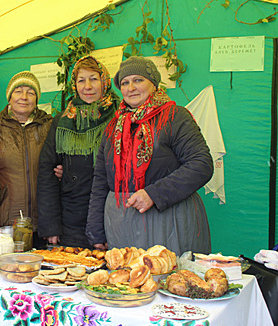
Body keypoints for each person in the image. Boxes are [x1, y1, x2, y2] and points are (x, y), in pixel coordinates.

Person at [86, 56, 213, 256]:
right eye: (125, 83)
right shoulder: (113, 127)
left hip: (167, 219)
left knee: (168, 278)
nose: (131, 88)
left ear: (153, 84)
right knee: (128, 281)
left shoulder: (175, 117)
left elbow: (201, 164)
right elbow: (101, 180)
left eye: (138, 80)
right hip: (121, 223)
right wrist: (96, 230)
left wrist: (154, 194)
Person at [37, 56, 120, 248]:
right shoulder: (62, 120)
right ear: (74, 85)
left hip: (112, 214)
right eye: (81, 80)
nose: (87, 86)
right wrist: (51, 226)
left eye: (93, 78)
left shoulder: (120, 117)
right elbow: (47, 172)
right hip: (72, 218)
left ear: (105, 81)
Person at [0, 71, 53, 248]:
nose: (24, 97)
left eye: (30, 92)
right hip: (7, 221)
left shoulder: (49, 126)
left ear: (36, 99)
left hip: (43, 221)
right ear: (9, 96)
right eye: (18, 91)